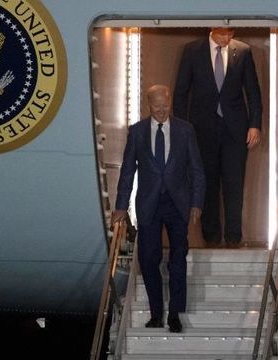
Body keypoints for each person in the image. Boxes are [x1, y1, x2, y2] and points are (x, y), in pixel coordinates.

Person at [112, 85, 205, 333]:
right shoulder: (137, 131)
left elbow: (197, 170)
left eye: (166, 105)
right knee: (148, 259)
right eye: (157, 106)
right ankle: (156, 314)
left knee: (177, 259)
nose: (162, 111)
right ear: (148, 105)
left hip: (177, 204)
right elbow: (127, 171)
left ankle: (174, 314)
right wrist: (121, 206)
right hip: (149, 204)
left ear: (170, 102)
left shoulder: (186, 130)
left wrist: (196, 203)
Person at [173, 27, 263, 249]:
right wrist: (181, 129)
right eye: (223, 34)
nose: (227, 38)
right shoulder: (193, 50)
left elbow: (253, 93)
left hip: (235, 129)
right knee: (207, 182)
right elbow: (181, 93)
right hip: (202, 129)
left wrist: (255, 125)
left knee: (234, 183)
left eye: (231, 34)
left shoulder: (242, 51)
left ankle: (234, 237)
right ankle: (211, 237)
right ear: (213, 30)